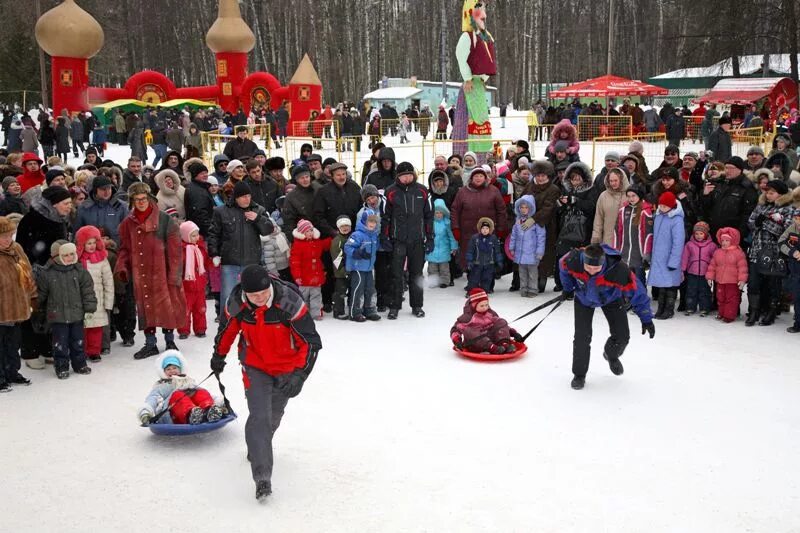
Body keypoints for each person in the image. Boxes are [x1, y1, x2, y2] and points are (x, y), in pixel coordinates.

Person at [211, 264, 322, 501]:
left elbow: (311, 342)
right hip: (255, 365)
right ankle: (262, 477)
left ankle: (258, 445)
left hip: (286, 368)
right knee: (259, 416)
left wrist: (299, 375)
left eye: (263, 293)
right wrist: (218, 356)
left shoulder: (289, 302)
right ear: (245, 293)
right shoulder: (237, 303)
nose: (259, 299)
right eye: (254, 295)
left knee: (273, 416)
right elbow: (227, 331)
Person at [559, 243, 655, 390]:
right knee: (582, 337)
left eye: (595, 268)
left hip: (611, 298)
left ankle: (611, 354)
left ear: (603, 263)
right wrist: (567, 288)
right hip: (584, 299)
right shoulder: (574, 260)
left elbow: (638, 292)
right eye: (588, 267)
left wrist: (646, 318)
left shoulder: (619, 270)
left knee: (622, 336)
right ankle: (579, 375)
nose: (591, 271)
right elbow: (563, 265)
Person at [115, 182, 187, 360]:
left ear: (150, 198)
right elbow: (124, 247)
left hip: (162, 272)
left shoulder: (164, 220)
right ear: (132, 201)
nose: (141, 202)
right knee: (146, 308)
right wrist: (122, 265)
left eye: (143, 198)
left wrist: (174, 274)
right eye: (137, 199)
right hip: (141, 273)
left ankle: (170, 341)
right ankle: (150, 343)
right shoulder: (127, 223)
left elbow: (175, 250)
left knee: (166, 307)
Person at [208, 181, 274, 322]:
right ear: (236, 197)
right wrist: (214, 253)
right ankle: (226, 320)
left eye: (249, 196)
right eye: (243, 196)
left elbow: (269, 230)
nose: (247, 199)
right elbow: (213, 234)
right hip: (230, 260)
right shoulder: (221, 211)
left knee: (254, 292)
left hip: (252, 261)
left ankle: (252, 319)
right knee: (228, 294)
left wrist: (258, 219)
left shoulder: (258, 210)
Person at [37, 242, 97, 379]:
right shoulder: (48, 273)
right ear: (56, 256)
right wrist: (35, 307)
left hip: (77, 314)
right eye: (65, 255)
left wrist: (89, 308)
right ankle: (61, 366)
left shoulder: (79, 271)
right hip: (57, 316)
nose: (70, 257)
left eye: (72, 254)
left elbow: (88, 291)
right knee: (60, 343)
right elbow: (41, 294)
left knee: (78, 341)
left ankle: (80, 364)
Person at [382, 162, 433, 319]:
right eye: (403, 175)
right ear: (398, 176)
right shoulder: (390, 192)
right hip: (399, 240)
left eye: (409, 175)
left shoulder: (423, 191)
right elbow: (385, 217)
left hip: (417, 240)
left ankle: (417, 305)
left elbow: (429, 217)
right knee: (396, 274)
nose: (406, 178)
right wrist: (385, 237)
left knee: (416, 274)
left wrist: (430, 237)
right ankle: (394, 306)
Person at [745, 180, 794, 326]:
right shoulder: (761, 205)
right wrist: (760, 222)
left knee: (773, 283)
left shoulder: (789, 209)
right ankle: (754, 311)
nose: (768, 195)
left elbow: (786, 230)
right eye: (767, 192)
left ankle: (771, 311)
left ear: (781, 194)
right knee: (753, 283)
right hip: (756, 248)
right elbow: (751, 222)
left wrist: (765, 222)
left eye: (772, 192)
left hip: (774, 252)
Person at [139, 351, 226, 426]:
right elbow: (152, 398)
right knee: (178, 394)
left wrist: (221, 403)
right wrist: (145, 413)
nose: (172, 371)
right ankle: (191, 414)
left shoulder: (188, 381)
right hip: (170, 415)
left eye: (174, 368)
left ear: (180, 369)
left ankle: (209, 410)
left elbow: (205, 394)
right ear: (163, 371)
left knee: (200, 391)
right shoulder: (163, 385)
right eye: (168, 369)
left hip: (198, 412)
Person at [0, 216, 36, 391]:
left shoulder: (16, 249)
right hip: (1, 309)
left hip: (17, 307)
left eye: (10, 235)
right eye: (4, 236)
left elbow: (28, 272)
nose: (8, 239)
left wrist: (32, 296)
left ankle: (12, 372)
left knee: (13, 344)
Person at [75, 226, 114, 363]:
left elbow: (108, 281)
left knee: (96, 327)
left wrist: (109, 302)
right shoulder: (77, 261)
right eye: (88, 243)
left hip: (98, 299)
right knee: (83, 327)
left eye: (93, 243)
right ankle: (82, 350)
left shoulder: (102, 259)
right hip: (81, 299)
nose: (91, 246)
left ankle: (94, 351)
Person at [648, 192, 685, 320]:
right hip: (659, 257)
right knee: (661, 286)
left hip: (669, 259)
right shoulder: (658, 216)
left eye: (665, 206)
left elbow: (678, 242)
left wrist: (674, 261)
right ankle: (660, 308)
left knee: (670, 286)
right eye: (660, 205)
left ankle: (669, 310)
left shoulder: (677, 220)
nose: (662, 208)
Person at [701, 156, 758, 241]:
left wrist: (739, 235)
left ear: (740, 170)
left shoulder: (747, 188)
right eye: (726, 167)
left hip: (731, 235)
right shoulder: (720, 184)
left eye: (731, 168)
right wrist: (706, 195)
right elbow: (707, 207)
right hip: (714, 232)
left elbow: (747, 215)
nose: (727, 171)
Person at [450, 288, 521, 354]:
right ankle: (493, 348)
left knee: (501, 321)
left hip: (492, 340)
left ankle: (504, 344)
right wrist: (457, 341)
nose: (485, 308)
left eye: (486, 305)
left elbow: (500, 326)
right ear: (474, 305)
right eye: (481, 306)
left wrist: (513, 333)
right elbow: (455, 329)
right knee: (470, 331)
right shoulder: (467, 317)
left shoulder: (490, 313)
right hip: (474, 344)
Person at [343, 209, 381, 322]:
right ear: (364, 221)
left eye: (374, 222)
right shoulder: (357, 234)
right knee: (358, 289)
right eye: (370, 221)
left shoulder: (374, 235)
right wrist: (357, 253)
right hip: (358, 267)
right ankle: (355, 312)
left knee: (370, 289)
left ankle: (369, 309)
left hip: (369, 267)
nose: (372, 224)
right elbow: (347, 247)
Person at [290, 219, 331, 320]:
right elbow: (295, 262)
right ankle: (304, 313)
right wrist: (297, 276)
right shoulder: (298, 245)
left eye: (311, 230)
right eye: (307, 231)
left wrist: (332, 239)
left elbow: (324, 245)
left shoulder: (316, 242)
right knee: (304, 297)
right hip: (304, 277)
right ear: (302, 233)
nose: (310, 233)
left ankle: (316, 313)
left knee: (316, 296)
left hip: (316, 275)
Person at [613, 184, 653, 286]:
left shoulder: (645, 211)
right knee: (625, 279)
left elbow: (649, 234)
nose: (631, 198)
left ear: (639, 195)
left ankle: (640, 299)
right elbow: (617, 231)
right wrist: (616, 249)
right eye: (629, 196)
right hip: (625, 252)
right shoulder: (623, 210)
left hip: (638, 253)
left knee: (638, 279)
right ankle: (627, 299)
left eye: (633, 196)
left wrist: (646, 252)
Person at [177, 221, 211, 340]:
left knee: (200, 309)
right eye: (193, 235)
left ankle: (200, 329)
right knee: (185, 309)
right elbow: (179, 266)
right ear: (185, 236)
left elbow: (206, 262)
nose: (197, 237)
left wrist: (213, 262)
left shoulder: (200, 248)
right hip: (186, 286)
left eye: (197, 234)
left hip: (200, 285)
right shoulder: (181, 250)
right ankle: (184, 330)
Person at [706, 228, 748, 323]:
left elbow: (742, 268)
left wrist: (742, 280)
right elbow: (712, 265)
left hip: (732, 282)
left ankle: (729, 315)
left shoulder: (738, 253)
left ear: (732, 241)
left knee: (731, 299)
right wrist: (709, 277)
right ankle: (721, 313)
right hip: (720, 281)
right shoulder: (718, 252)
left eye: (727, 240)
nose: (724, 242)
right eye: (722, 240)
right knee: (720, 298)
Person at [509, 195, 546, 298]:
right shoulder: (517, 222)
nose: (524, 210)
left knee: (532, 274)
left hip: (532, 254)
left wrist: (539, 252)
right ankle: (524, 288)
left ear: (531, 208)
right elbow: (513, 236)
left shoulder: (536, 223)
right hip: (520, 254)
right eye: (522, 207)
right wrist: (512, 248)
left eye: (526, 207)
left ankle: (533, 289)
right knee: (522, 273)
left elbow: (541, 238)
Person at [680, 221, 717, 317]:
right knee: (691, 290)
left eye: (701, 233)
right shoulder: (689, 245)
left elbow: (715, 259)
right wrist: (682, 270)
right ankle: (690, 307)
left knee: (704, 291)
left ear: (706, 234)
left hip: (705, 274)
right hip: (692, 272)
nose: (699, 236)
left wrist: (713, 271)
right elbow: (685, 258)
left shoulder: (711, 245)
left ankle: (704, 308)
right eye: (696, 234)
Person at [426, 199, 459, 288]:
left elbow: (451, 237)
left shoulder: (447, 223)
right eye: (437, 213)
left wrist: (454, 246)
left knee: (444, 268)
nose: (439, 215)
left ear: (444, 213)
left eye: (441, 213)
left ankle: (444, 281)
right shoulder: (430, 223)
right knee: (432, 268)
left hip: (444, 249)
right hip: (432, 249)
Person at [592, 168, 630, 245]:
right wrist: (596, 238)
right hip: (608, 240)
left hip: (627, 242)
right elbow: (598, 219)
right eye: (611, 181)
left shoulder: (630, 195)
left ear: (622, 180)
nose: (613, 183)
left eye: (615, 180)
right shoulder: (603, 196)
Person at [465, 218, 503, 293]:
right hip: (477, 264)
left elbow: (497, 252)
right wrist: (469, 261)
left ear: (490, 229)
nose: (485, 230)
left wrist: (499, 262)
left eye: (487, 228)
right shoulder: (475, 238)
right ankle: (471, 292)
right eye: (483, 228)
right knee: (474, 280)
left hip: (489, 264)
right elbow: (470, 251)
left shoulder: (493, 238)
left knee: (486, 280)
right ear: (480, 229)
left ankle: (483, 292)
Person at [778, 210, 800, 332]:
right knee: (797, 297)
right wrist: (792, 252)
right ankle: (798, 323)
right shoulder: (791, 228)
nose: (798, 222)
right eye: (796, 218)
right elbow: (781, 242)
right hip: (795, 270)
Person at [330, 215, 352, 319]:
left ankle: (352, 308)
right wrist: (343, 271)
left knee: (351, 291)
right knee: (340, 292)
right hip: (341, 272)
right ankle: (338, 311)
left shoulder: (352, 238)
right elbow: (337, 259)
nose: (345, 228)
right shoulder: (337, 240)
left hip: (351, 270)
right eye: (342, 226)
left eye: (347, 225)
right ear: (338, 228)